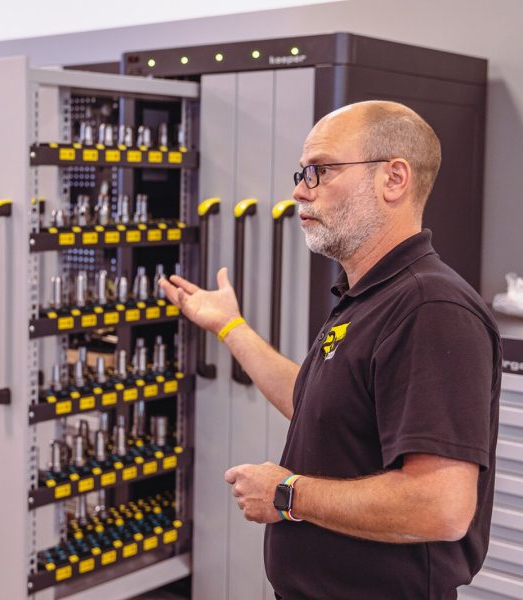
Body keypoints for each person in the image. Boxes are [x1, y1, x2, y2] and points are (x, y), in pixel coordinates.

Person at [159, 100, 501, 599]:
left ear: (394, 179)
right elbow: (316, 404)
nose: (300, 190)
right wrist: (230, 325)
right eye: (304, 172)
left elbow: (440, 506)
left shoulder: (431, 308)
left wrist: (287, 493)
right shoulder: (370, 295)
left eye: (321, 170)